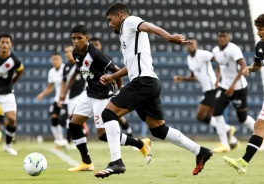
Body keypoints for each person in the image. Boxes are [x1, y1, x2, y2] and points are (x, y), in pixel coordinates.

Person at [95, 2, 213, 178]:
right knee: (159, 130)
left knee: (108, 114)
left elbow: (148, 26)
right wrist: (112, 77)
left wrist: (168, 37)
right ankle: (200, 151)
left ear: (120, 15)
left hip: (143, 83)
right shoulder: (126, 36)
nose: (109, 23)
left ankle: (116, 162)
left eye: (110, 19)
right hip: (149, 83)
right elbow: (130, 66)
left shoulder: (130, 21)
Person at [60, 25, 152, 172]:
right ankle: (86, 162)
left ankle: (140, 144)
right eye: (73, 38)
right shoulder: (76, 52)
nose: (76, 41)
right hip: (89, 94)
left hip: (102, 96)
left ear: (87, 38)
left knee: (103, 135)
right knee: (74, 125)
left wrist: (119, 90)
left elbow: (116, 71)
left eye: (79, 38)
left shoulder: (96, 54)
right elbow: (82, 72)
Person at [173, 39, 239, 149]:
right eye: (188, 44)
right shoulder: (189, 59)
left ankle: (227, 130)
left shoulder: (203, 54)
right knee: (212, 117)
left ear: (197, 45)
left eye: (192, 44)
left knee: (200, 115)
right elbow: (194, 76)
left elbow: (218, 61)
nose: (190, 46)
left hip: (212, 88)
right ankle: (232, 140)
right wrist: (181, 78)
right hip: (206, 90)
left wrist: (217, 79)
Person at [223, 13, 264, 174]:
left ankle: (244, 161)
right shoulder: (260, 45)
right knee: (259, 126)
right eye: (257, 29)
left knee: (259, 126)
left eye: (261, 29)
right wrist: (249, 68)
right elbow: (258, 64)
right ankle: (244, 162)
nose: (258, 32)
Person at [209, 29, 256, 153]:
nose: (222, 39)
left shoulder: (233, 49)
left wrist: (233, 85)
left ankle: (260, 134)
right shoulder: (215, 50)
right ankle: (224, 144)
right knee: (216, 112)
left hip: (238, 88)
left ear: (228, 38)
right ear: (218, 37)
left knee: (243, 119)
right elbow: (219, 64)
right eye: (220, 36)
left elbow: (243, 65)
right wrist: (217, 79)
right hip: (225, 87)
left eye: (224, 36)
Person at [89, 37, 133, 137]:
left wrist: (119, 87)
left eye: (97, 44)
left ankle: (130, 137)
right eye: (93, 45)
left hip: (106, 92)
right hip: (92, 93)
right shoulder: (86, 60)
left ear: (101, 46)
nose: (95, 47)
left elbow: (115, 73)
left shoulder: (105, 58)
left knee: (117, 116)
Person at [37, 53, 69, 148]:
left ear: (61, 60)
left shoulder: (65, 69)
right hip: (57, 99)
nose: (55, 61)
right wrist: (42, 94)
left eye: (57, 59)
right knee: (54, 119)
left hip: (66, 99)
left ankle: (69, 141)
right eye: (53, 59)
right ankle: (59, 140)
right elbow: (50, 87)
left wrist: (62, 98)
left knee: (64, 121)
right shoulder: (51, 72)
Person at [61, 45, 89, 147]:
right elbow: (64, 81)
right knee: (71, 120)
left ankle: (69, 140)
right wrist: (62, 93)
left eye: (69, 51)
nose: (68, 54)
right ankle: (78, 137)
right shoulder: (66, 67)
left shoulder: (80, 63)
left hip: (81, 93)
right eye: (66, 52)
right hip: (71, 96)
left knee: (73, 117)